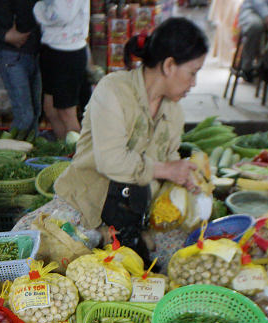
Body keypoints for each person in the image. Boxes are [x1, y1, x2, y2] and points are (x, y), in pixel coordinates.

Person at [16, 18, 208, 258]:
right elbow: (111, 161)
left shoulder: (173, 112)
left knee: (189, 259)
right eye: (192, 72)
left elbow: (169, 161)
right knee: (23, 250)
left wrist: (181, 179)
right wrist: (166, 170)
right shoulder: (113, 90)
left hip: (135, 217)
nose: (194, 83)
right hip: (85, 207)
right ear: (169, 65)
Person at [0, 0, 41, 135]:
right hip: (11, 54)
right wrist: (3, 35)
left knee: (34, 113)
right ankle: (10, 151)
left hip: (37, 52)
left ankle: (25, 152)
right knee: (25, 116)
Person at [33, 0, 89, 139]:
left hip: (68, 51)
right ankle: (64, 150)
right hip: (51, 47)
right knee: (50, 108)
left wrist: (38, 9)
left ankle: (78, 154)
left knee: (66, 111)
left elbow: (62, 14)